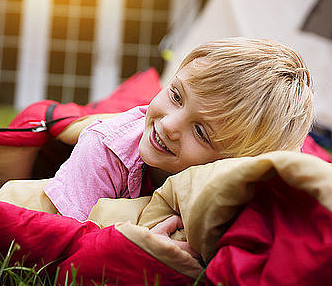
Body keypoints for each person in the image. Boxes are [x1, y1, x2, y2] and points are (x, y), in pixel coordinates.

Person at [43, 37, 314, 230]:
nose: (170, 125)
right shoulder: (105, 147)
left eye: (199, 131)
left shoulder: (241, 181)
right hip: (117, 121)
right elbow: (62, 236)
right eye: (175, 95)